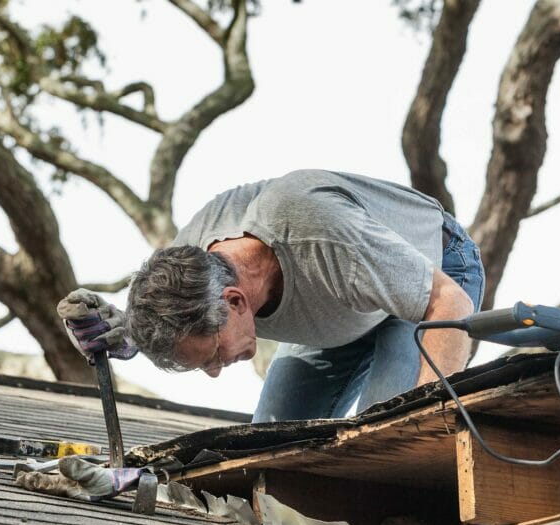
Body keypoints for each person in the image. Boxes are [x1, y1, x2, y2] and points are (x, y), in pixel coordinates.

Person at [57, 169, 484, 422]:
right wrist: (122, 333)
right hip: (342, 301)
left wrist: (429, 427)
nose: (215, 372)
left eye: (212, 355)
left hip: (433, 274)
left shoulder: (320, 235)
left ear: (235, 301)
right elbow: (168, 327)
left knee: (389, 430)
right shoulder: (187, 269)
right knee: (266, 448)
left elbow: (448, 302)